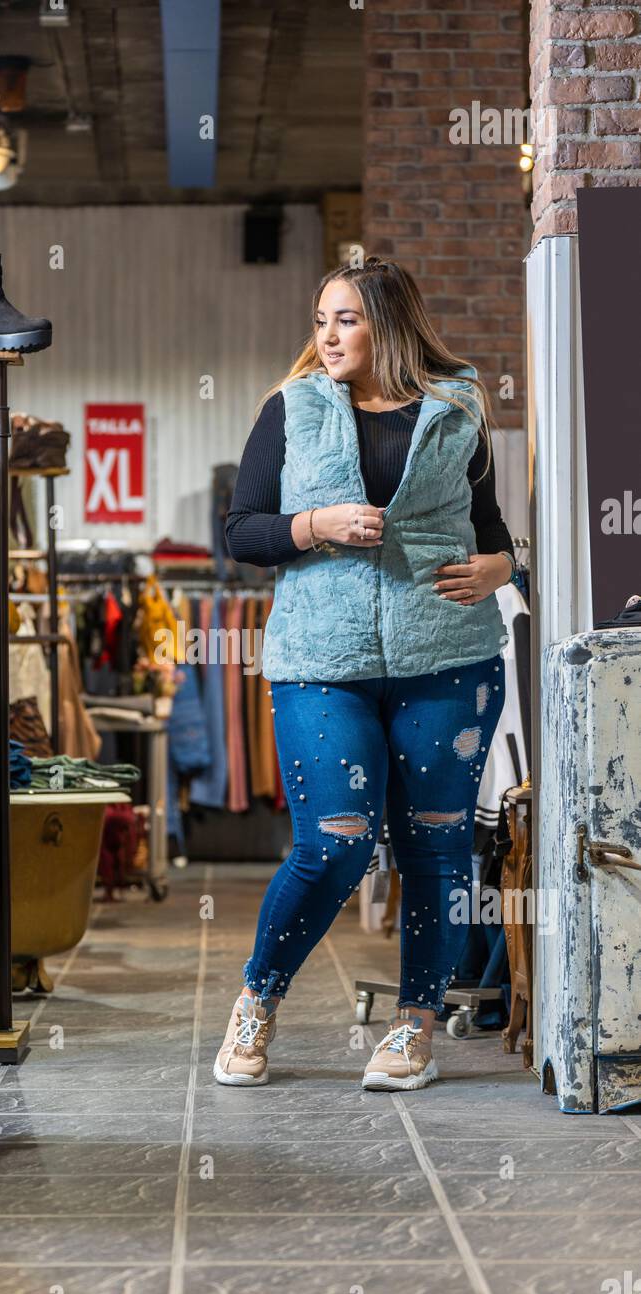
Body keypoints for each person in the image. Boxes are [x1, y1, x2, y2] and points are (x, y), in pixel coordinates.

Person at [213, 256, 515, 1092]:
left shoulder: (458, 407)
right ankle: (256, 1002)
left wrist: (501, 568)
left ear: (388, 321)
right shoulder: (293, 407)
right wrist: (314, 523)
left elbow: (491, 527)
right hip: (320, 659)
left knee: (436, 848)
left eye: (345, 319)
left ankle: (415, 1026)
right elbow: (240, 532)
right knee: (334, 847)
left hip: (448, 654)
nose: (328, 336)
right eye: (321, 320)